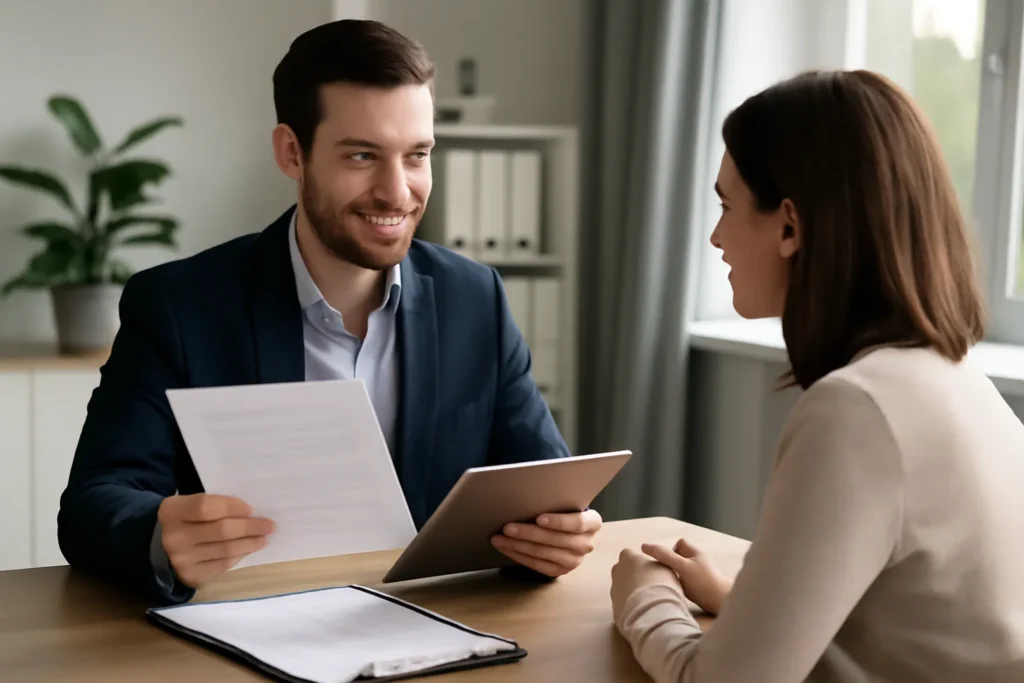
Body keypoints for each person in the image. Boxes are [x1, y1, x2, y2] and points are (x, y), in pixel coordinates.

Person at [57, 19, 601, 606]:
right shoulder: (179, 306)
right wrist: (159, 536)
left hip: (429, 628)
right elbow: (95, 501)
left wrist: (558, 538)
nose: (397, 191)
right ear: (292, 152)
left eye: (417, 155)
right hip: (248, 624)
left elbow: (543, 488)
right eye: (363, 156)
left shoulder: (476, 299)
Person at [610, 69, 1024, 681]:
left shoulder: (858, 411)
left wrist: (645, 600)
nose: (716, 236)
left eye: (726, 206)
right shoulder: (954, 376)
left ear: (789, 226)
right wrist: (742, 602)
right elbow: (918, 619)